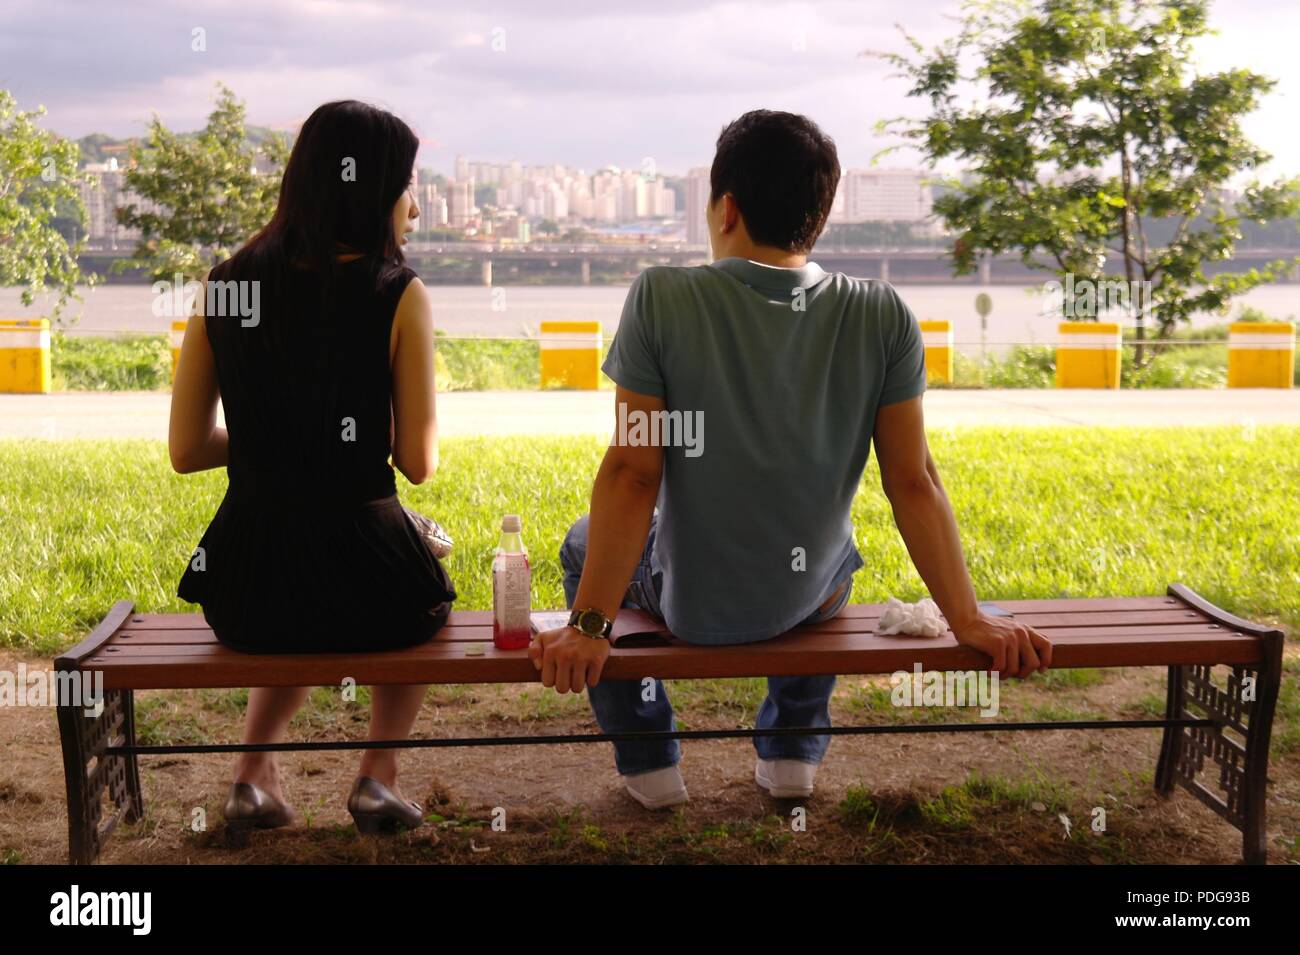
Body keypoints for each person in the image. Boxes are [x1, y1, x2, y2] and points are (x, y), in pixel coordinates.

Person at [530, 109, 1052, 810]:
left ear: (727, 207)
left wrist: (589, 625)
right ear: (820, 216)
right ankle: (791, 756)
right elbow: (914, 480)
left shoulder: (661, 296)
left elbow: (633, 473)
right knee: (835, 551)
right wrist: (967, 619)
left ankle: (651, 765)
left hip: (691, 602)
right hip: (810, 597)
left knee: (580, 542)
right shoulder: (882, 313)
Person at [169, 100, 454, 839]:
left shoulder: (225, 283)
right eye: (408, 184)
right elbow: (419, 463)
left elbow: (187, 450)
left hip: (245, 586)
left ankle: (250, 776)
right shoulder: (399, 291)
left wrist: (274, 436)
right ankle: (377, 778)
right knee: (421, 584)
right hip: (375, 587)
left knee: (297, 577)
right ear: (372, 189)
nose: (414, 206)